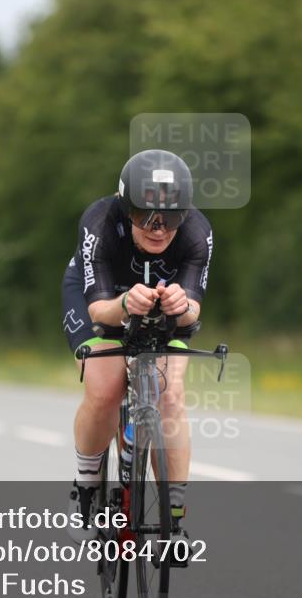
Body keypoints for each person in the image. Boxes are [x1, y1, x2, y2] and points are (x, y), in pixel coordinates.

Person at [61, 149, 213, 552]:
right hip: (103, 299)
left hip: (163, 308)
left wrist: (182, 306)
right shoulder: (99, 222)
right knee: (105, 387)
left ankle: (174, 521)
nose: (159, 229)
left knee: (171, 395)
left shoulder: (198, 232)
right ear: (125, 208)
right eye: (146, 217)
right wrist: (126, 304)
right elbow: (99, 309)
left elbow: (194, 309)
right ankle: (86, 487)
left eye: (172, 218)